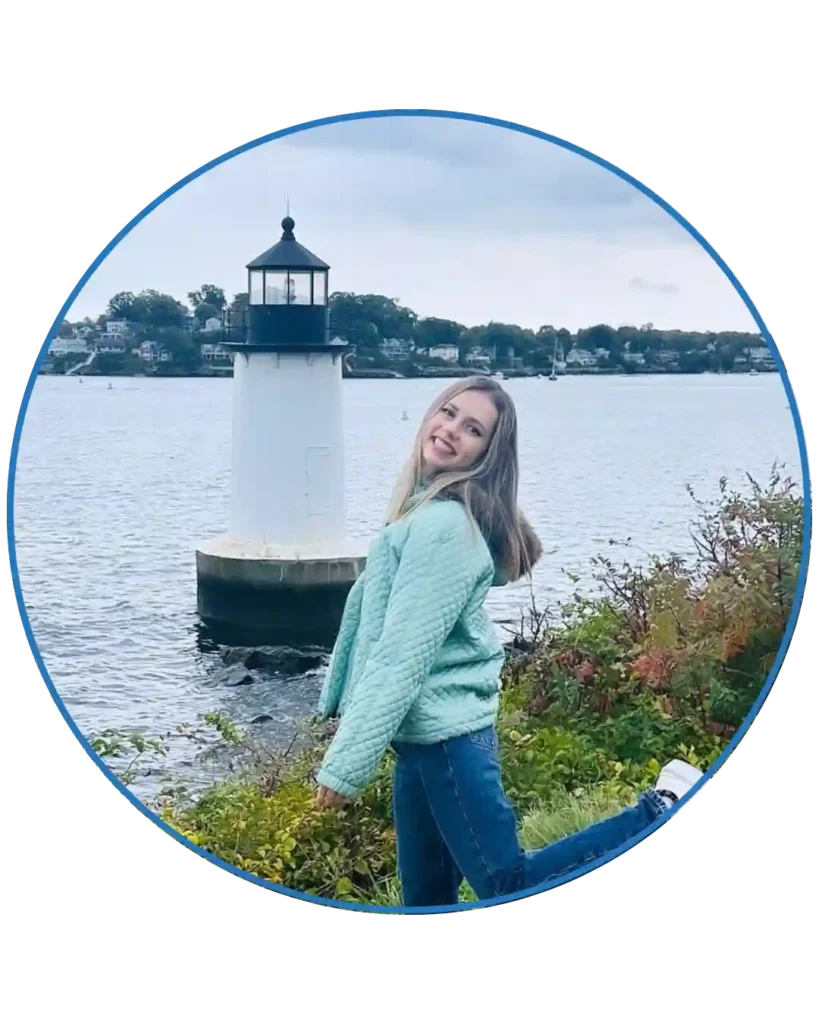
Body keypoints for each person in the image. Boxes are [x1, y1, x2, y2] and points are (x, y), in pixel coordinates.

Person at [314, 376, 703, 908]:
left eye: (473, 429)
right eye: (449, 413)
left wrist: (346, 763)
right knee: (426, 902)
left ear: (487, 454)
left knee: (508, 886)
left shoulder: (444, 528)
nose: (451, 430)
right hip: (420, 741)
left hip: (448, 741)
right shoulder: (421, 511)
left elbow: (400, 655)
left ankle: (662, 807)